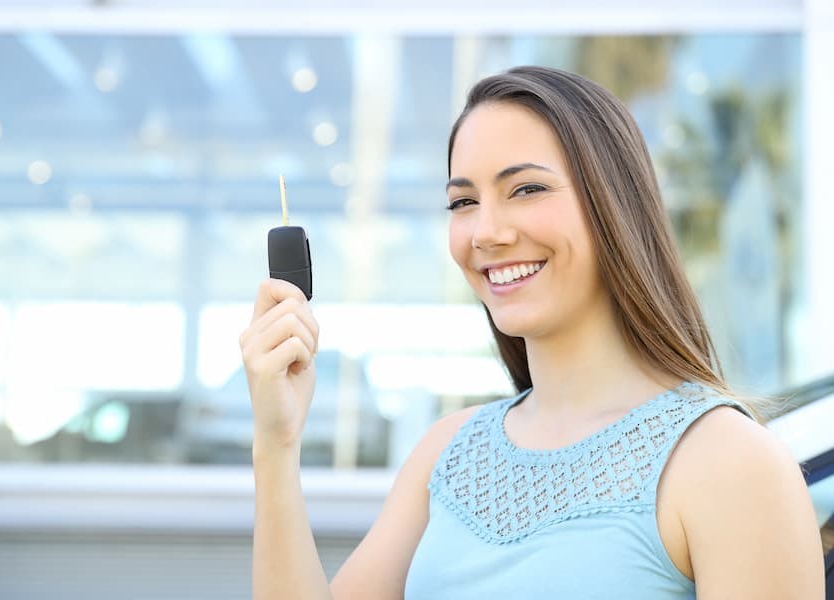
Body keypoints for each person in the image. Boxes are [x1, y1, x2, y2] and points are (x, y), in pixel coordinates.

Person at [239, 66, 824, 599]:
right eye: (463, 201)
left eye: (526, 189)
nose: (485, 232)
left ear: (614, 204)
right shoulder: (446, 453)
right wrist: (276, 444)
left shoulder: (729, 463)